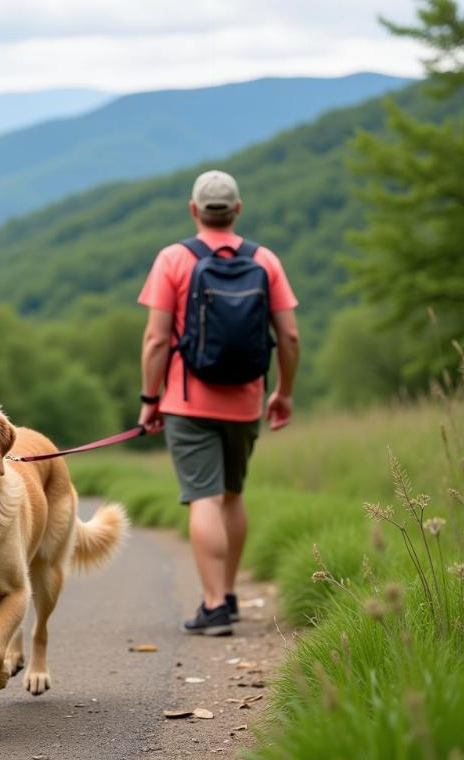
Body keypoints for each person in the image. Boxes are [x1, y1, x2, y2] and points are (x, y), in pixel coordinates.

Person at [137, 170, 299, 635]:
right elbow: (288, 334)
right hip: (246, 400)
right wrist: (283, 391)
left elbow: (155, 339)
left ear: (194, 210)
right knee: (231, 494)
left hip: (188, 400)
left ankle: (213, 607)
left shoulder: (174, 258)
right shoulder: (265, 260)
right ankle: (227, 593)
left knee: (203, 497)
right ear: (238, 210)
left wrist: (151, 399)